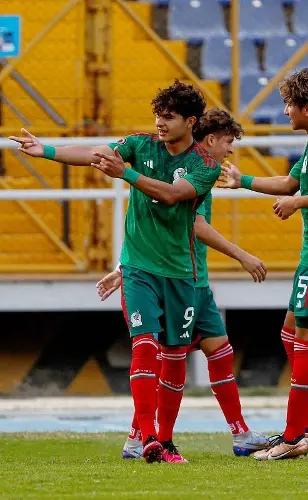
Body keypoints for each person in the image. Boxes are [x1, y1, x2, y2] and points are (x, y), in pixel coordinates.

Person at [9, 80, 220, 463]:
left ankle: (166, 441)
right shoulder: (140, 145)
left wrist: (127, 175)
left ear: (191, 121)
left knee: (174, 357)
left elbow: (172, 194)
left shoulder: (205, 165)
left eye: (168, 117)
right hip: (138, 267)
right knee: (144, 345)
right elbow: (96, 153)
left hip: (181, 273)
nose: (159, 122)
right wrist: (47, 151)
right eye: (157, 114)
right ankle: (150, 438)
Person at [95, 108, 271, 459]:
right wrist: (242, 255)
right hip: (183, 281)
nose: (231, 150)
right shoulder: (194, 171)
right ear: (209, 139)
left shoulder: (199, 172)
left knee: (218, 352)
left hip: (195, 280)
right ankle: (148, 438)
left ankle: (239, 433)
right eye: (228, 141)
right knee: (170, 358)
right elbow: (194, 226)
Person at [220, 68, 308, 460]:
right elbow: (288, 184)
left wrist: (298, 203)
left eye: (289, 104)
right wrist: (242, 180)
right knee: (291, 333)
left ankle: (291, 437)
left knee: (306, 343)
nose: (285, 111)